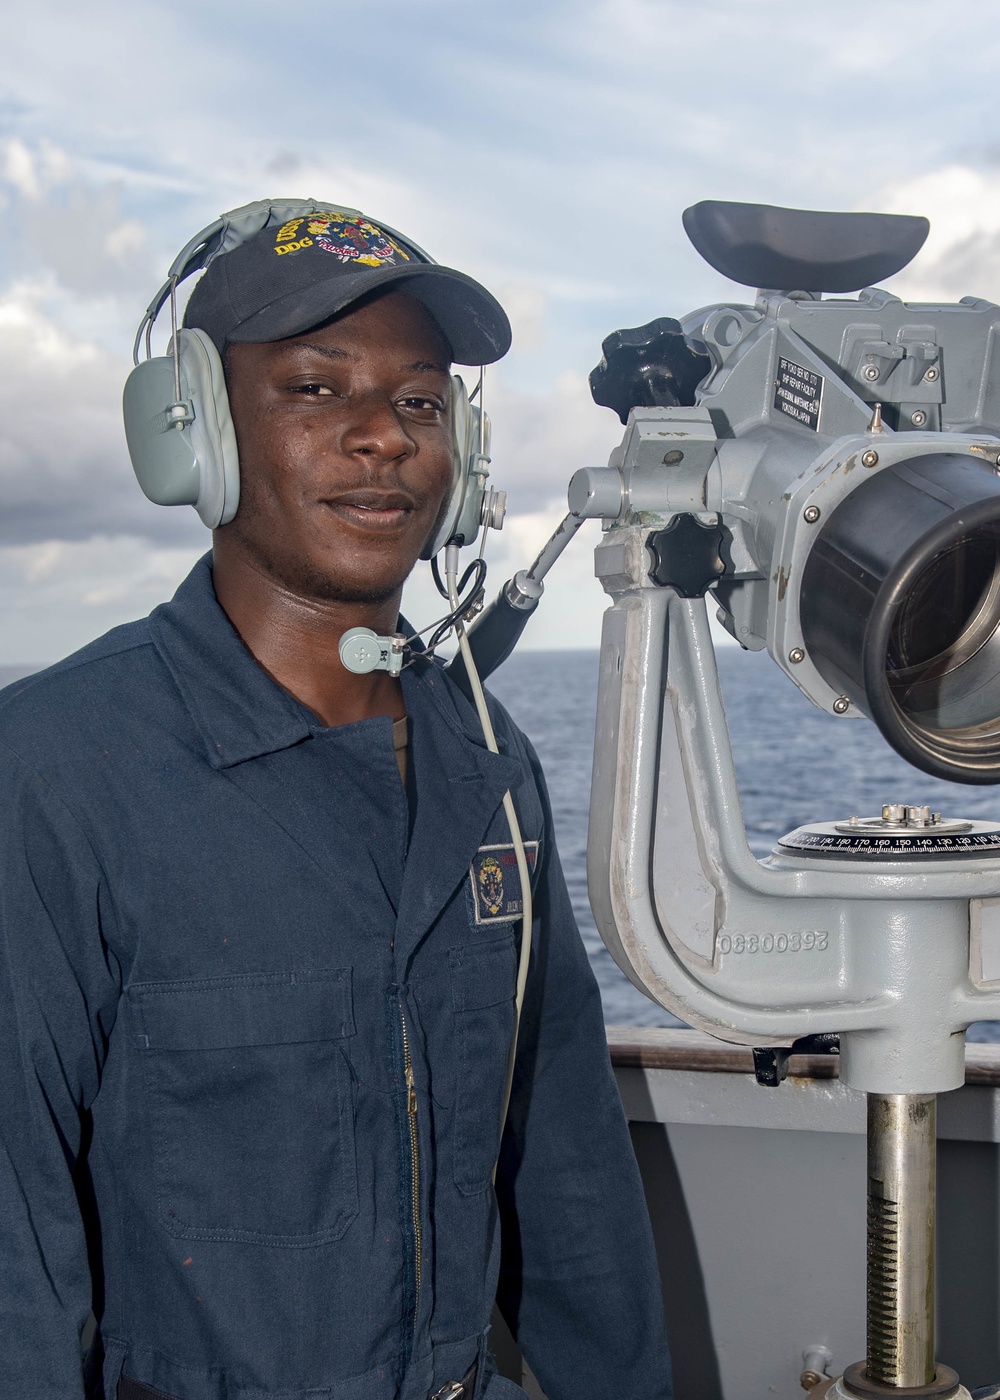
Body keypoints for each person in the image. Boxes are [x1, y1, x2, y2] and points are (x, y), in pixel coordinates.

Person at [0, 201, 673, 1400]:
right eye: (317, 389)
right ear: (193, 432)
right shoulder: (54, 768)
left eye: (419, 400)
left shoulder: (485, 758)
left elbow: (564, 1175)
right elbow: (15, 1243)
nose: (382, 438)